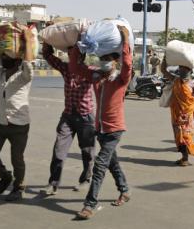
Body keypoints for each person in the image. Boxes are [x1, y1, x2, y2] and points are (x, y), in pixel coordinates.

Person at [71, 25, 132, 220]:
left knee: (100, 165)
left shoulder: (121, 79)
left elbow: (128, 65)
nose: (104, 62)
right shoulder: (97, 77)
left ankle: (90, 204)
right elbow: (76, 68)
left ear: (116, 61)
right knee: (112, 163)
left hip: (115, 130)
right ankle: (125, 190)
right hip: (100, 129)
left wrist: (124, 40)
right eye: (102, 58)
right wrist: (79, 47)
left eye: (108, 59)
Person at [0, 28, 34, 201]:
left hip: (19, 125)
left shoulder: (23, 77)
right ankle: (5, 176)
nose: (3, 59)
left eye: (6, 56)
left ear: (17, 59)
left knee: (17, 158)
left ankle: (18, 187)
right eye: (2, 56)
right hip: (0, 123)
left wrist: (27, 40)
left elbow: (29, 65)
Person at [40, 43, 96, 195]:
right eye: (69, 53)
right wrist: (47, 42)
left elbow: (107, 73)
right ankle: (53, 183)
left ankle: (85, 180)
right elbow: (48, 56)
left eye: (73, 54)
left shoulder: (90, 72)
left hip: (86, 117)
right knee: (59, 149)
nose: (69, 56)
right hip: (68, 116)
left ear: (81, 56)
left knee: (87, 152)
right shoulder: (66, 68)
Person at [160, 57, 194, 166]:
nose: (182, 70)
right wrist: (165, 59)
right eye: (180, 68)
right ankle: (184, 158)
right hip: (176, 114)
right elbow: (164, 71)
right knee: (179, 136)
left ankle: (186, 157)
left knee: (186, 136)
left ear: (190, 70)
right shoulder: (175, 80)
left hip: (188, 115)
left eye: (184, 68)